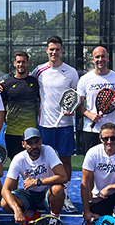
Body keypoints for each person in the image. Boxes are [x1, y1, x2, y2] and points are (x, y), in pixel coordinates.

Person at [30, 36, 79, 213]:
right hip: (45, 124)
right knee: (46, 161)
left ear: (61, 51)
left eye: (57, 49)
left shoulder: (71, 72)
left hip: (65, 125)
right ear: (47, 50)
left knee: (65, 159)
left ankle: (64, 195)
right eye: (51, 49)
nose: (54, 52)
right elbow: (27, 84)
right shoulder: (39, 71)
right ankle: (48, 194)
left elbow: (76, 96)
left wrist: (73, 108)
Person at [1, 127, 68, 225]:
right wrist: (17, 210)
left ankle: (54, 221)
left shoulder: (48, 151)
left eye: (36, 142)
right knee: (5, 202)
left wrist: (37, 182)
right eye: (30, 143)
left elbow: (63, 177)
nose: (34, 146)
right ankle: (31, 214)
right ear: (23, 144)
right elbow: (5, 189)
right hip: (29, 195)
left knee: (58, 189)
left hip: (47, 193)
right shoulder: (18, 159)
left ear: (41, 141)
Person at [77, 46, 115, 153]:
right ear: (93, 60)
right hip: (91, 130)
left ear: (107, 58)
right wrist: (90, 115)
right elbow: (78, 106)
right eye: (97, 57)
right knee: (90, 165)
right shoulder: (85, 79)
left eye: (103, 56)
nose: (100, 59)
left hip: (113, 131)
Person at [0, 51, 40, 159]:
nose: (20, 64)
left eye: (23, 62)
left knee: (32, 162)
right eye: (18, 62)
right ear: (14, 63)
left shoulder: (35, 83)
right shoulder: (6, 84)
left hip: (30, 132)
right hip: (12, 131)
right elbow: (2, 107)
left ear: (28, 63)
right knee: (14, 164)